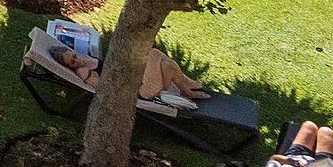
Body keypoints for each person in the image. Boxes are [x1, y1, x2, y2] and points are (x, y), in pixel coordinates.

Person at [52, 41, 214, 105]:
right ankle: (187, 87)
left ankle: (186, 87)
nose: (76, 60)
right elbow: (105, 89)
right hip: (140, 92)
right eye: (72, 62)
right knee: (154, 53)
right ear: (71, 67)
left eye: (73, 55)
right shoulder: (83, 72)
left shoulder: (84, 57)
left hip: (137, 81)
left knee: (168, 64)